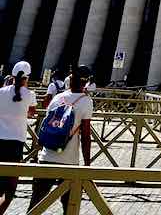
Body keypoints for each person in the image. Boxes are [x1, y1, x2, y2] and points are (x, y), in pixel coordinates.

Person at [28, 66, 93, 215]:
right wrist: (88, 164)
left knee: (36, 202)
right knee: (69, 204)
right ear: (86, 83)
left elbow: (45, 125)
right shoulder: (86, 101)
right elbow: (85, 136)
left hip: (46, 156)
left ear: (70, 79)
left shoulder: (58, 97)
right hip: (69, 160)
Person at [0, 61, 37, 215]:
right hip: (16, 143)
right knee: (10, 190)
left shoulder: (1, 92)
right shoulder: (30, 95)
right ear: (27, 78)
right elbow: (31, 113)